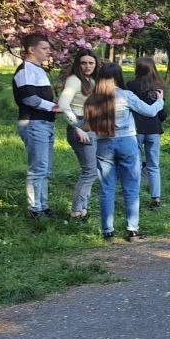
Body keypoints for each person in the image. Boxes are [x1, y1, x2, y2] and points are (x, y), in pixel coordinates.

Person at [83, 63, 163, 241]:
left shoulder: (93, 99)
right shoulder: (125, 95)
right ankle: (132, 230)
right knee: (131, 187)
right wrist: (160, 100)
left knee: (106, 189)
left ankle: (107, 231)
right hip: (127, 142)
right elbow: (149, 112)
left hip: (103, 144)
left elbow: (87, 126)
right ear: (118, 76)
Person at [11, 31, 64, 218]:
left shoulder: (39, 70)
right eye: (44, 48)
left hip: (45, 123)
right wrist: (54, 107)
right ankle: (35, 210)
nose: (48, 52)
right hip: (33, 123)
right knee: (38, 168)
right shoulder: (25, 70)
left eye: (49, 48)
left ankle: (43, 207)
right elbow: (29, 99)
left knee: (45, 168)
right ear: (31, 50)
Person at [57, 48, 101, 221]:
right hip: (80, 126)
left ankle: (83, 209)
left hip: (91, 125)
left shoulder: (92, 80)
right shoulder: (75, 80)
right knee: (90, 172)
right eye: (83, 63)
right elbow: (62, 104)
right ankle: (76, 211)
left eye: (91, 63)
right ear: (78, 64)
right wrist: (76, 127)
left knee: (92, 171)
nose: (87, 66)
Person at [128, 58, 168, 208]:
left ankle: (134, 196)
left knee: (136, 165)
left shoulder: (131, 86)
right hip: (154, 130)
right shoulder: (159, 87)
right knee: (153, 165)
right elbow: (162, 112)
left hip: (136, 129)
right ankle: (156, 197)